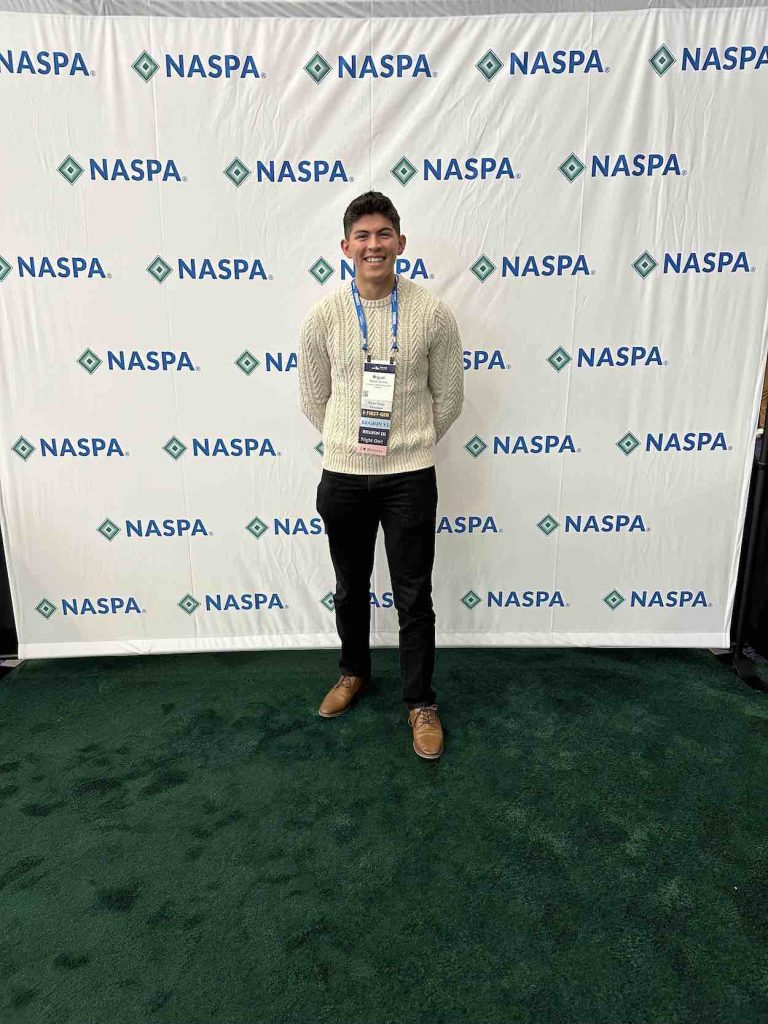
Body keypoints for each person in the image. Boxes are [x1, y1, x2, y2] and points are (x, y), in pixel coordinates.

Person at [298, 191, 464, 760]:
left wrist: (406, 444)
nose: (374, 245)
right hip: (342, 475)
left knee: (413, 595)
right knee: (350, 586)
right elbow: (312, 398)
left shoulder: (432, 313)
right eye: (362, 236)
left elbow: (450, 398)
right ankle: (353, 672)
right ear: (346, 248)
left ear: (400, 242)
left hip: (409, 477)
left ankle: (421, 703)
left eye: (383, 234)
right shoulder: (323, 316)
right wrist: (351, 443)